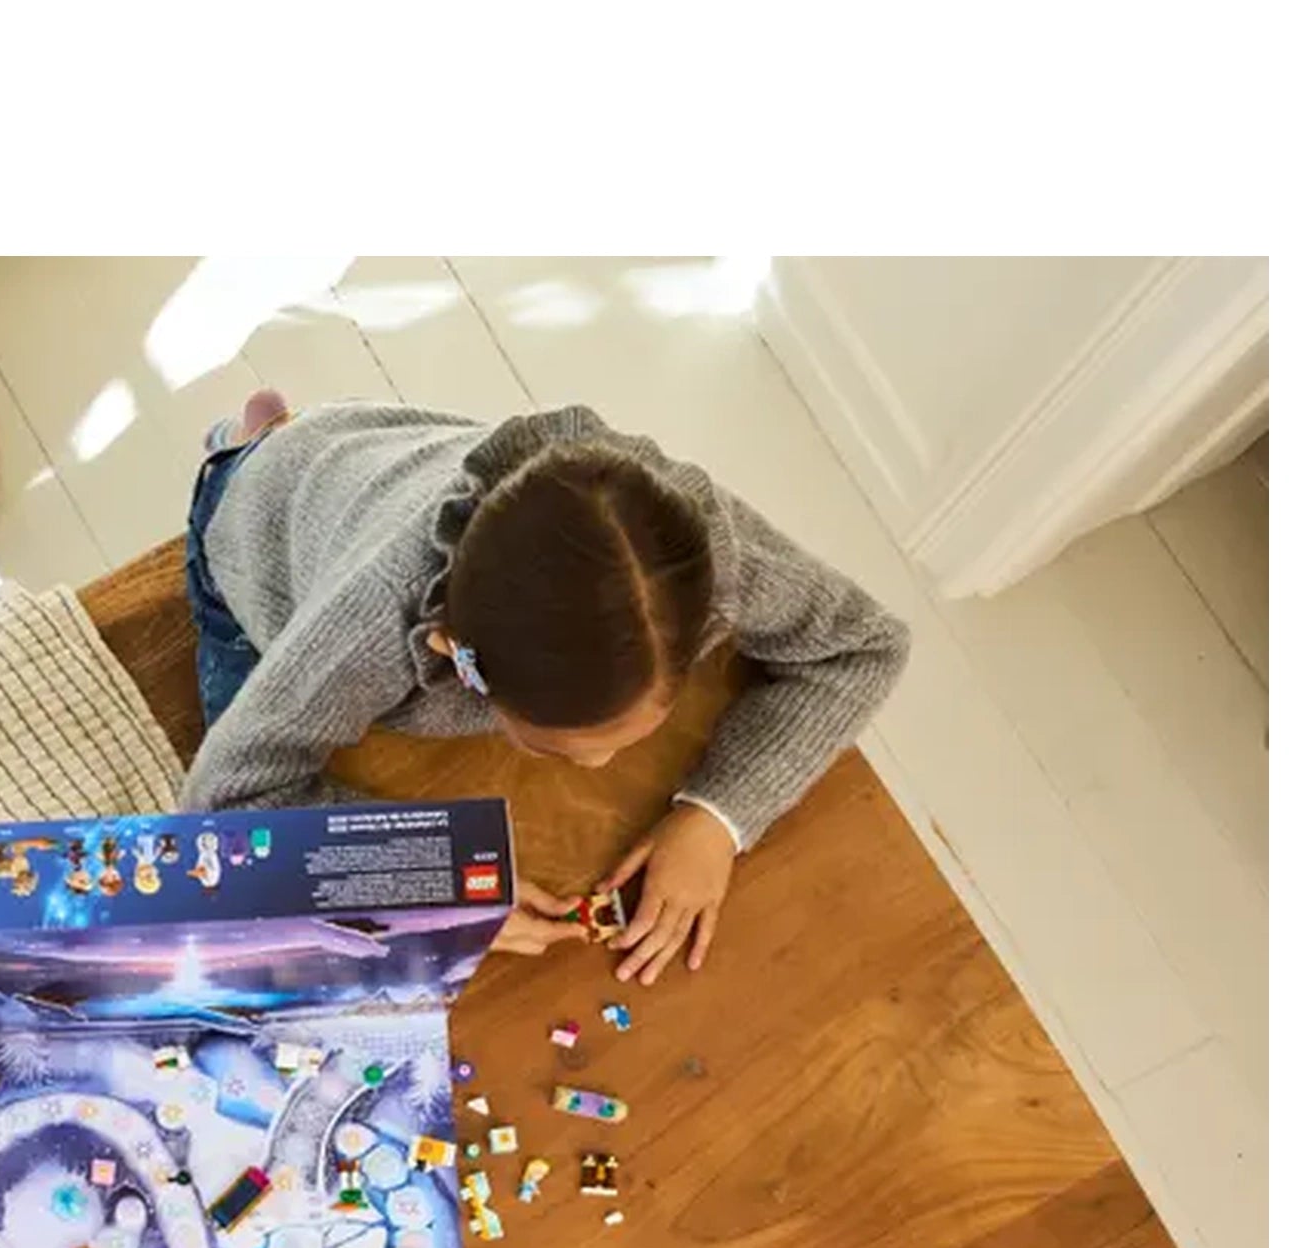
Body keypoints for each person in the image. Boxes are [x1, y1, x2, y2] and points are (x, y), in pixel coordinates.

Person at [180, 395, 910, 984]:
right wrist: (439, 878)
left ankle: (279, 429)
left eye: (631, 734)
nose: (598, 767)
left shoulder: (692, 553)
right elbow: (225, 806)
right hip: (262, 539)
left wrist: (718, 815)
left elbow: (865, 646)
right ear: (453, 656)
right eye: (552, 749)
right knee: (253, 877)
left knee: (337, 458)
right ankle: (246, 449)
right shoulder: (370, 618)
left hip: (386, 457)